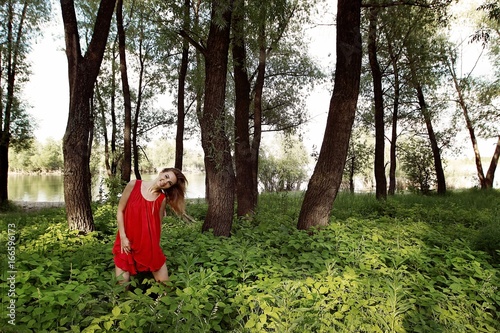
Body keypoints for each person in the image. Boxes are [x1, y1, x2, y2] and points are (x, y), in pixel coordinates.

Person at [112, 167, 187, 285]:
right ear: (162, 172)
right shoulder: (133, 185)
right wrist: (123, 237)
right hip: (126, 241)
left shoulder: (162, 199)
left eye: (169, 183)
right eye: (166, 176)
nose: (164, 182)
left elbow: (157, 225)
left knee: (165, 285)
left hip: (147, 244)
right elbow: (120, 211)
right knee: (122, 285)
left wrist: (154, 248)